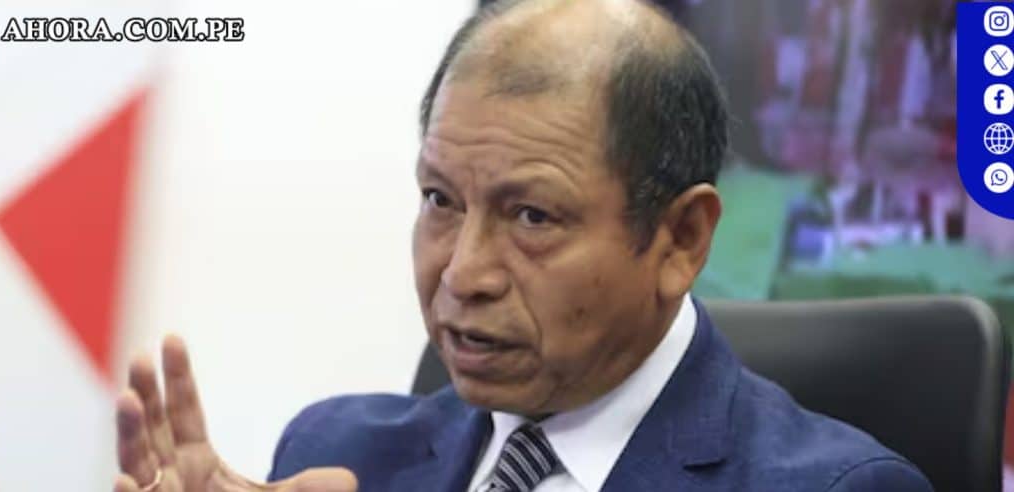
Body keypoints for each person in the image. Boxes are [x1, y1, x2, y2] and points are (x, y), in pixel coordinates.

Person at [113, 1, 934, 491]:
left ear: (681, 239)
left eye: (533, 216)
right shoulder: (337, 456)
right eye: (440, 200)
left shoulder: (838, 489)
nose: (462, 273)